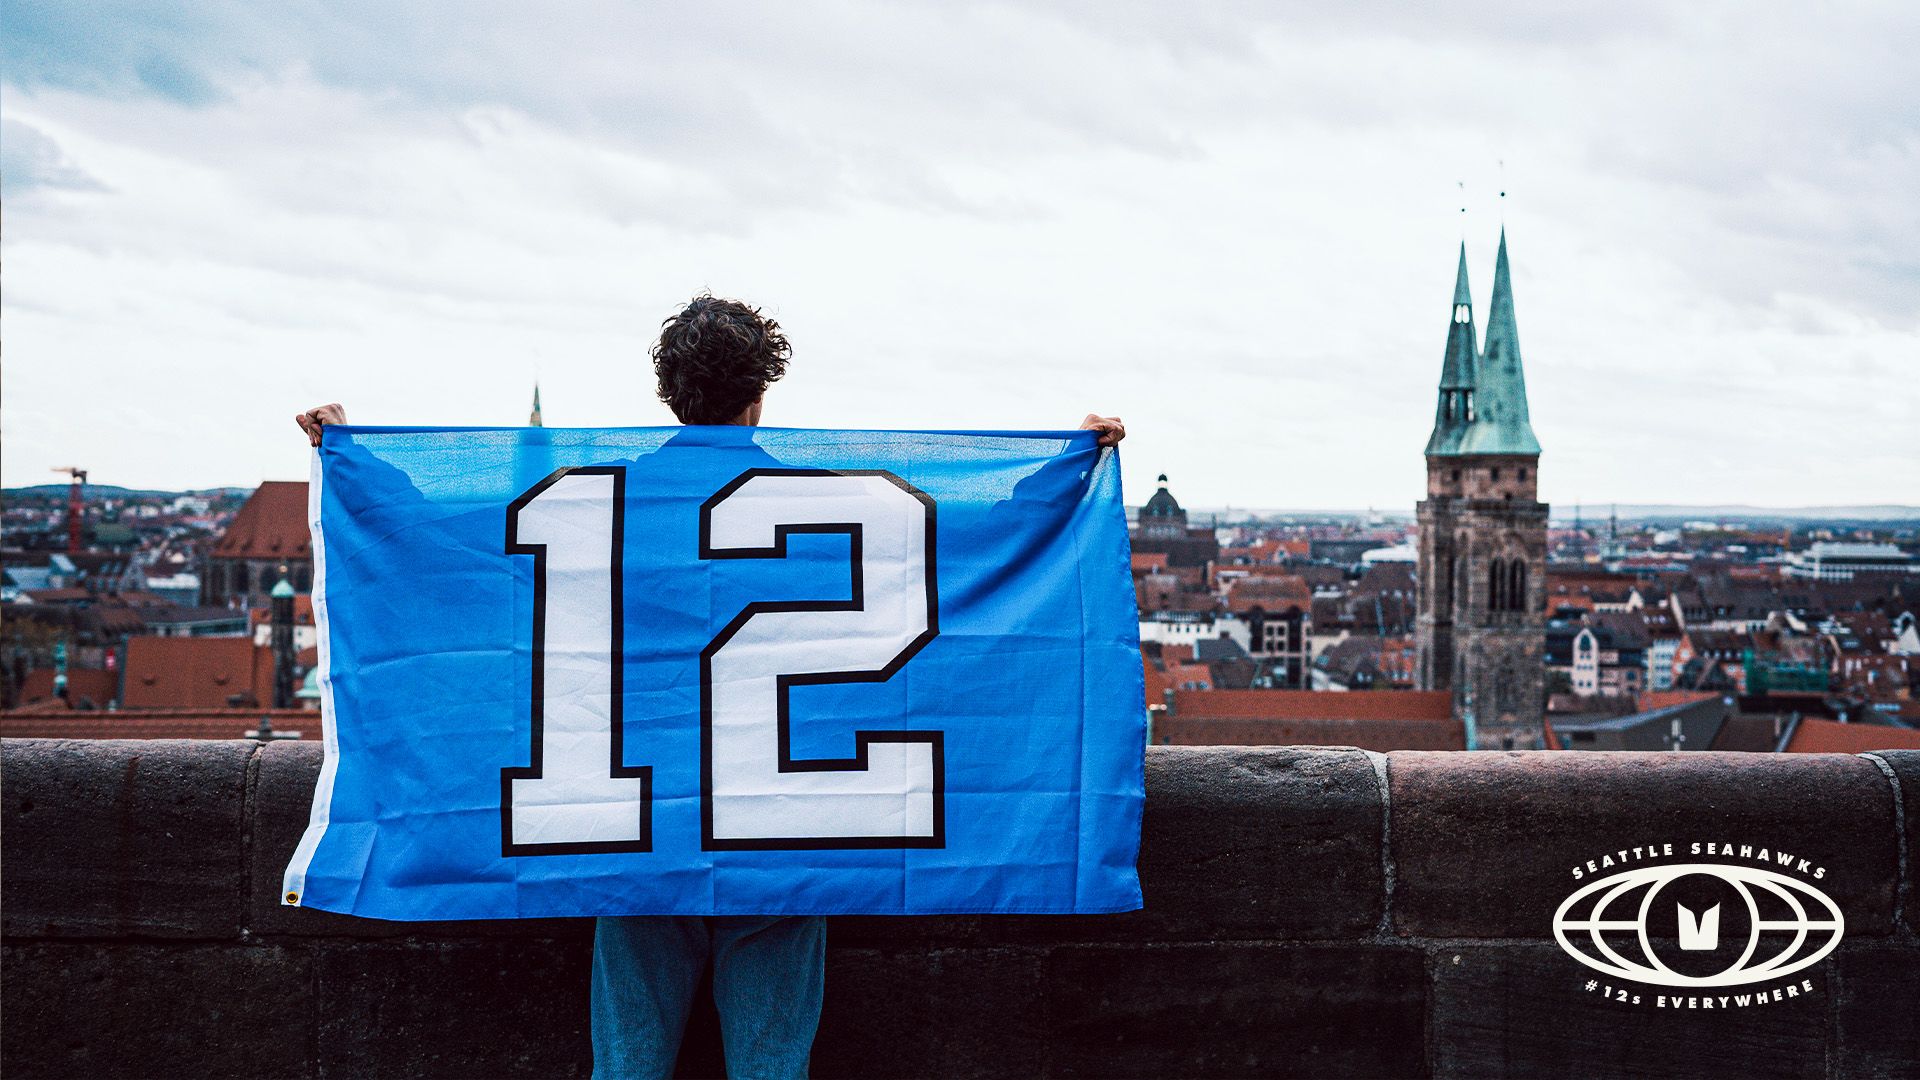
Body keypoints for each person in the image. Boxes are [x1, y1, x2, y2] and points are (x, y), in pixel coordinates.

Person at [298, 294, 1124, 1079]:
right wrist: (1067, 468)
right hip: (784, 839)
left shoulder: (596, 509)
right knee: (773, 1070)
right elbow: (975, 547)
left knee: (628, 1069)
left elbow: (446, 548)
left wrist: (353, 461)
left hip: (637, 835)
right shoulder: (827, 513)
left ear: (668, 393)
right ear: (761, 394)